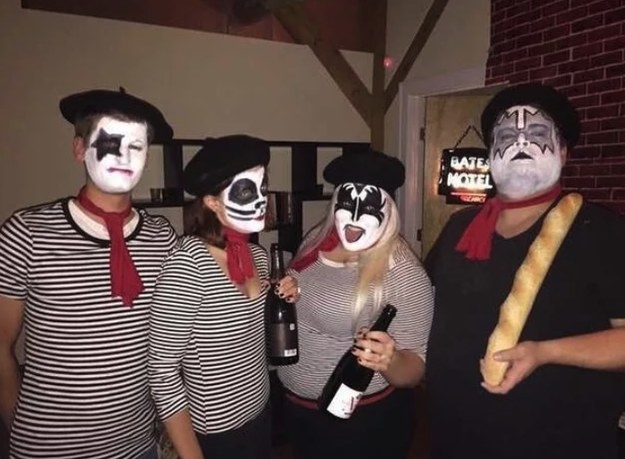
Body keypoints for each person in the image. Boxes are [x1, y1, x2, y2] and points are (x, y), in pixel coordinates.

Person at [425, 82, 625, 459]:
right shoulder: (461, 227)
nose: (520, 143)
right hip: (457, 432)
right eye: (506, 135)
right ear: (491, 154)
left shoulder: (600, 231)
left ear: (563, 153)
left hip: (556, 439)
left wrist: (544, 352)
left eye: (536, 133)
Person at [0, 88, 177, 458]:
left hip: (137, 447)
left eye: (138, 146)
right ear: (79, 148)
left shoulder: (162, 237)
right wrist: (19, 425)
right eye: (111, 143)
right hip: (47, 449)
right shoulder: (27, 232)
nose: (126, 157)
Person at [147, 135, 299, 459]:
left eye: (263, 187)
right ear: (212, 202)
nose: (262, 199)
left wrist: (285, 295)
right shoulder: (188, 264)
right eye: (247, 190)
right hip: (213, 434)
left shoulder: (256, 255)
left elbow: (254, 331)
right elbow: (161, 371)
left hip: (260, 414)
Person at [276, 149, 434, 459]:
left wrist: (389, 360)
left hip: (361, 422)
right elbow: (308, 291)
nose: (355, 216)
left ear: (389, 210)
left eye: (369, 207)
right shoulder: (318, 240)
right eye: (347, 203)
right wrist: (292, 290)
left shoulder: (403, 273)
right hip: (300, 411)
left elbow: (415, 371)